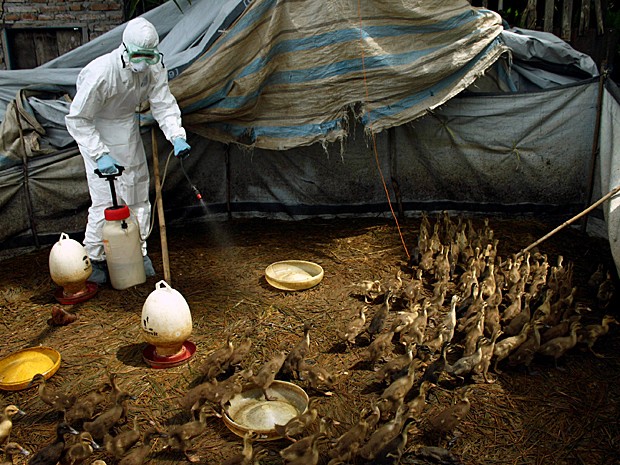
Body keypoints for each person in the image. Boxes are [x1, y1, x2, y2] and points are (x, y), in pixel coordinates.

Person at [65, 17, 191, 285]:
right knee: (104, 202)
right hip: (97, 130)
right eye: (138, 56)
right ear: (125, 49)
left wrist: (176, 135)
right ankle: (96, 259)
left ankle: (137, 253)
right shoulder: (101, 72)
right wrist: (99, 153)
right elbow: (78, 119)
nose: (143, 62)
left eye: (149, 56)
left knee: (136, 194)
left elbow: (163, 103)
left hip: (126, 128)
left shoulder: (153, 68)